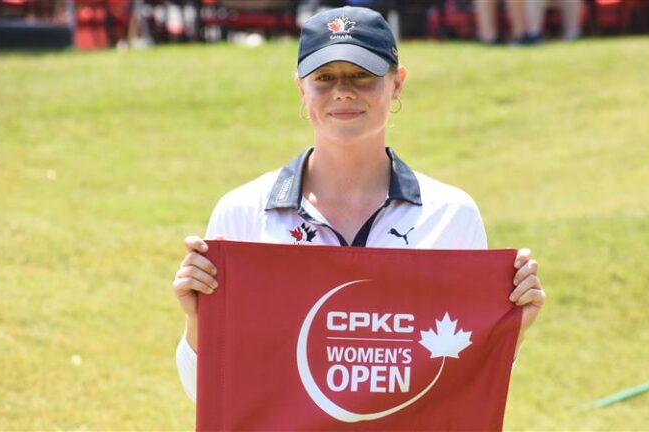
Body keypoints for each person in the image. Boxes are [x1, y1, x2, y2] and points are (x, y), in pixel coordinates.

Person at [172, 5, 545, 403]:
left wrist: (513, 327)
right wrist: (197, 320)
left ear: (397, 83)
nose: (343, 91)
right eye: (325, 77)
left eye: (363, 76)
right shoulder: (243, 212)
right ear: (300, 87)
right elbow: (213, 398)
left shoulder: (451, 215)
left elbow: (462, 387)